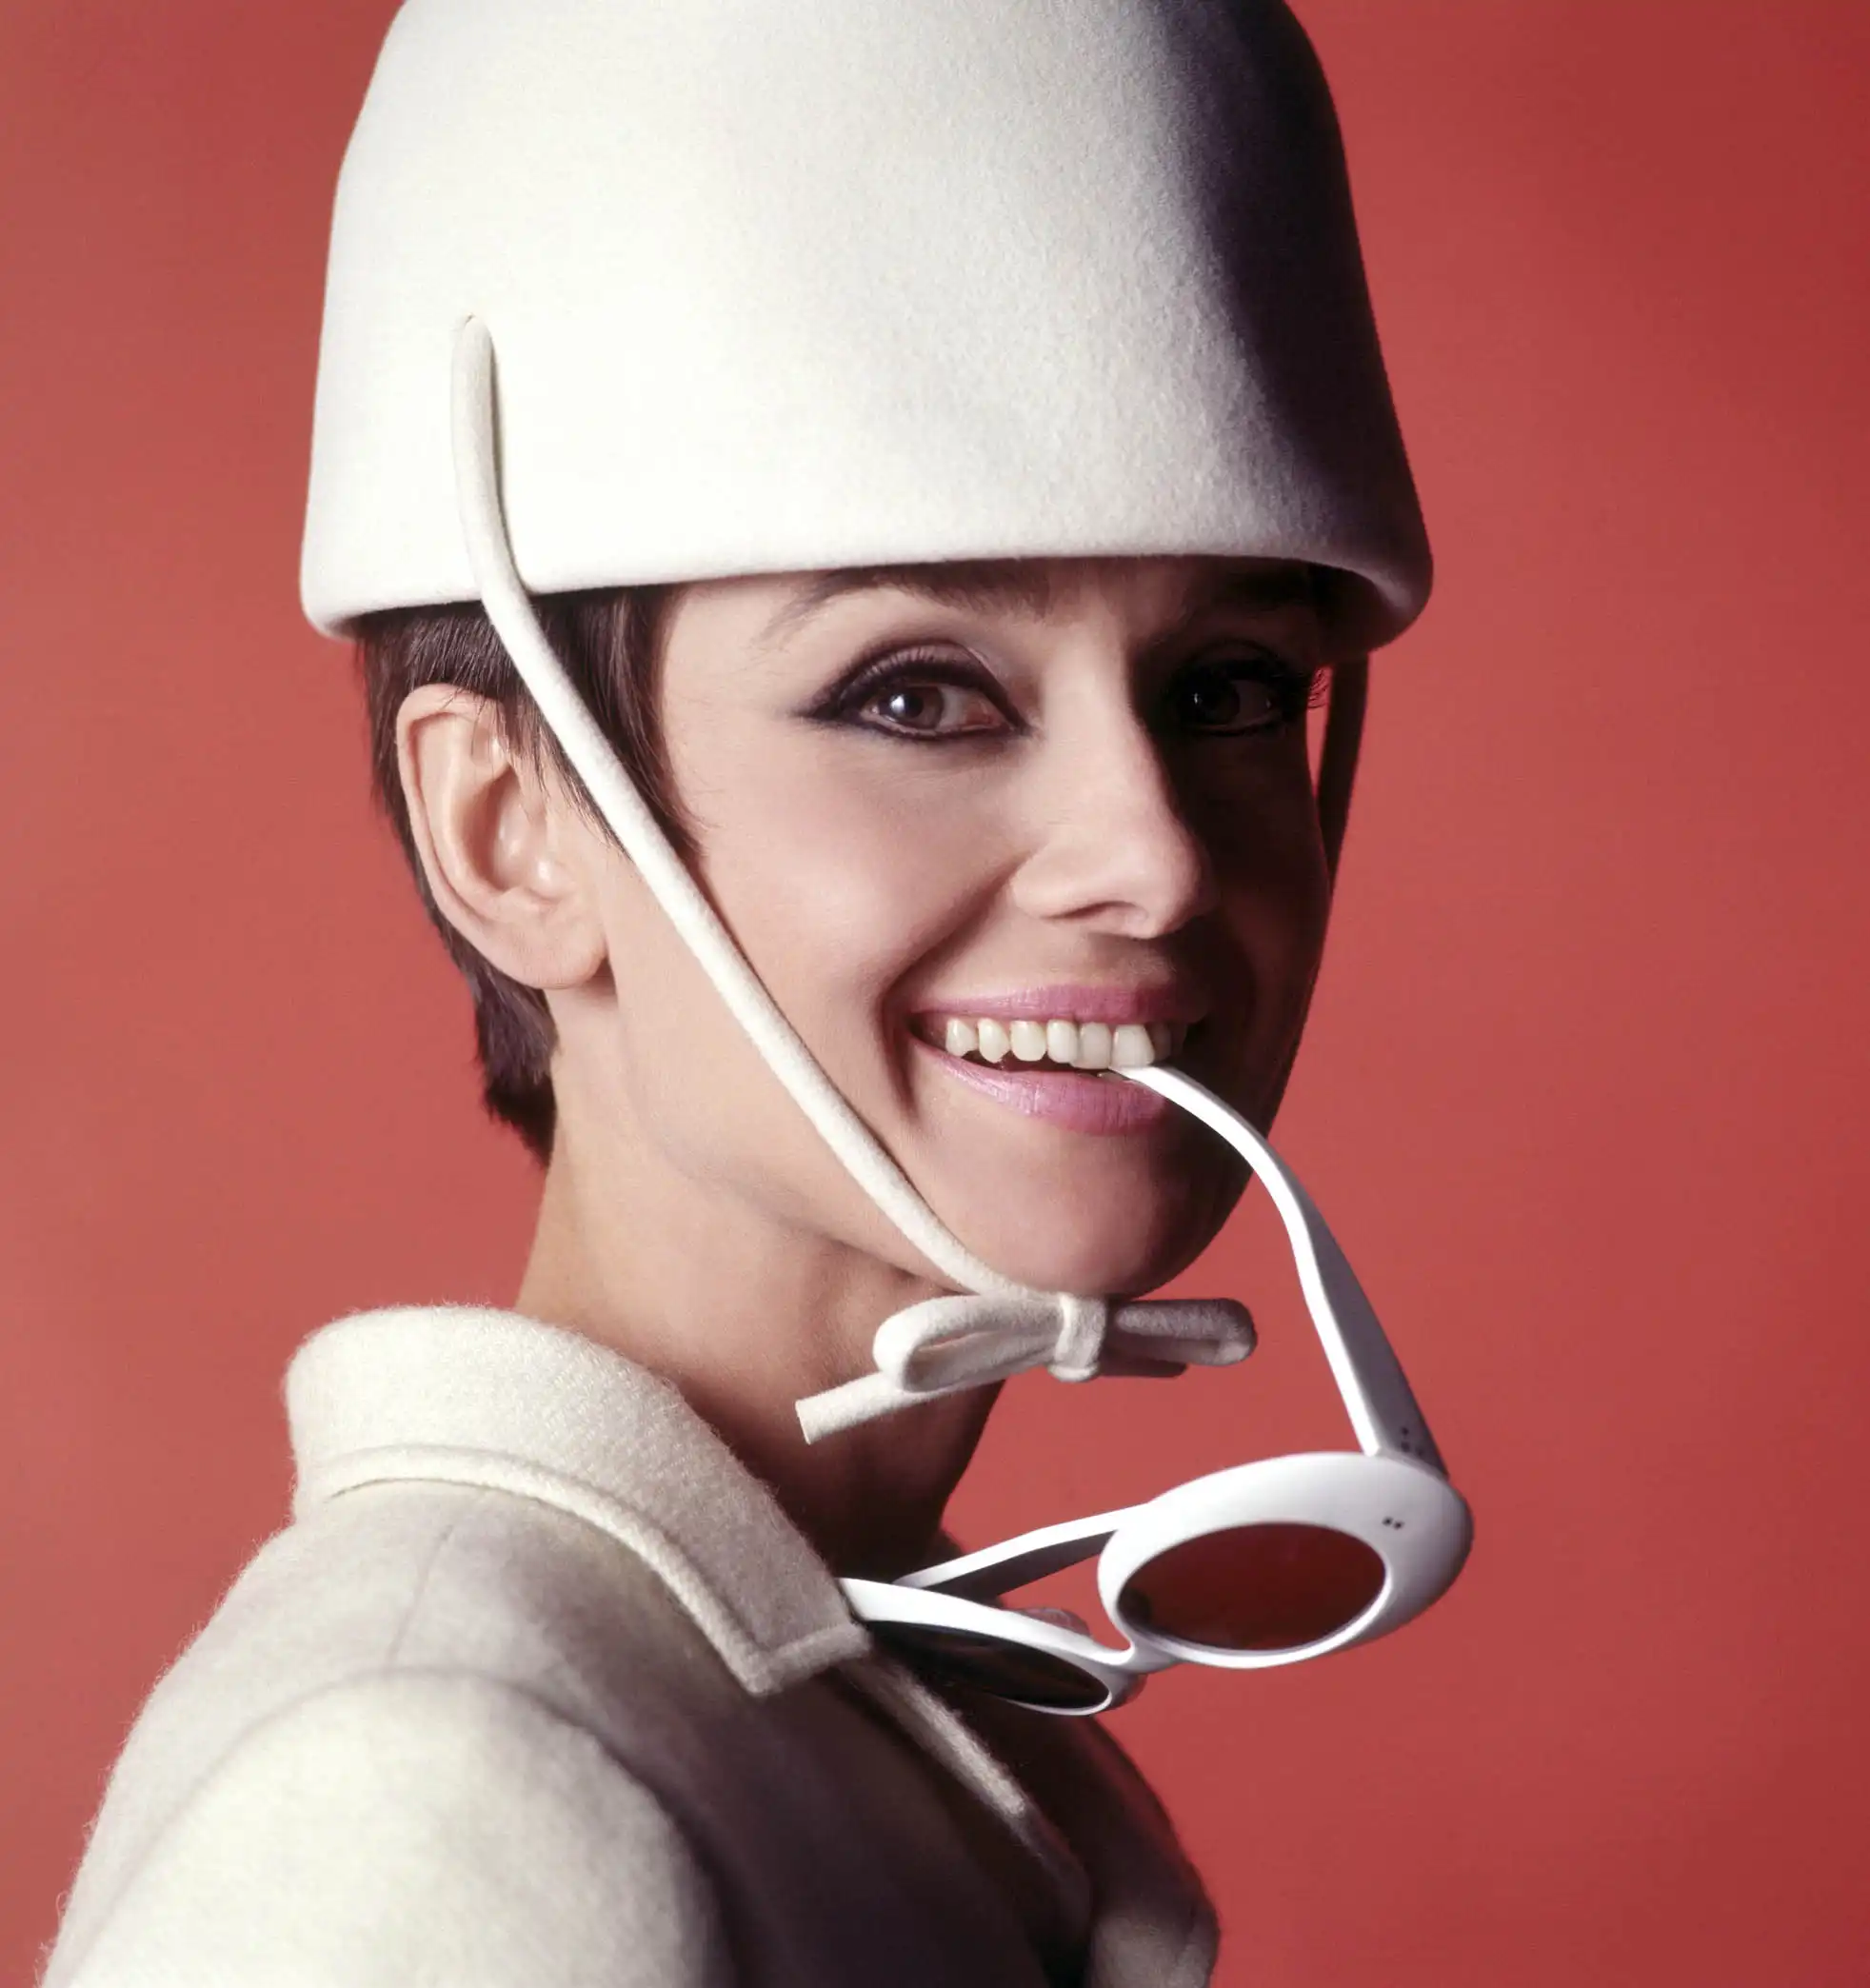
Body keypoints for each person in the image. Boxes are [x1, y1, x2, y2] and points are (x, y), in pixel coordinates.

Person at [39, 2, 1440, 1982]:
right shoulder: (428, 1807)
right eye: (919, 697)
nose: (1155, 854)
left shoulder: (859, 1677)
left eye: (1225, 688)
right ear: (513, 830)